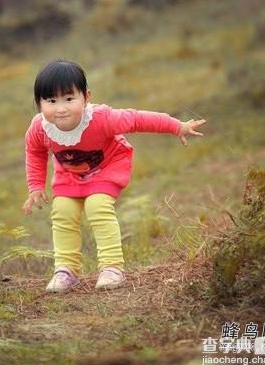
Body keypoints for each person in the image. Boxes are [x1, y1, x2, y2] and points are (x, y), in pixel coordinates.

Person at [22, 59, 206, 293]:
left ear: (86, 97)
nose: (60, 108)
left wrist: (176, 126)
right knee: (62, 211)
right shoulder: (40, 128)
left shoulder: (101, 119)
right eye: (51, 101)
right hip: (69, 175)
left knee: (98, 206)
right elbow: (35, 151)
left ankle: (111, 268)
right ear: (39, 104)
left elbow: (139, 119)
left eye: (69, 99)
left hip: (107, 168)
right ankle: (66, 270)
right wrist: (36, 185)